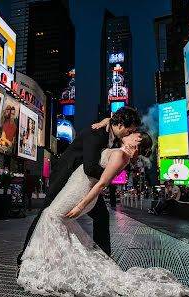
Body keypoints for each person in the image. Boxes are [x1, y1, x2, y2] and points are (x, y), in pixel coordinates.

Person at [17, 133, 189, 296]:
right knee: (56, 219)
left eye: (134, 133)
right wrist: (105, 122)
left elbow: (102, 183)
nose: (130, 133)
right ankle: (56, 264)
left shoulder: (121, 155)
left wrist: (81, 206)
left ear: (136, 144)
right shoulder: (120, 151)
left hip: (82, 190)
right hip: (78, 184)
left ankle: (55, 266)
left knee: (52, 216)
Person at [17, 107, 142, 270]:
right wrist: (111, 175)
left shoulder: (111, 132)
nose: (129, 135)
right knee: (45, 214)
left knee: (101, 215)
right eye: (128, 131)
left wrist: (107, 119)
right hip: (65, 177)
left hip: (82, 182)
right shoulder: (96, 135)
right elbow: (90, 168)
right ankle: (22, 260)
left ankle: (104, 258)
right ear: (119, 125)